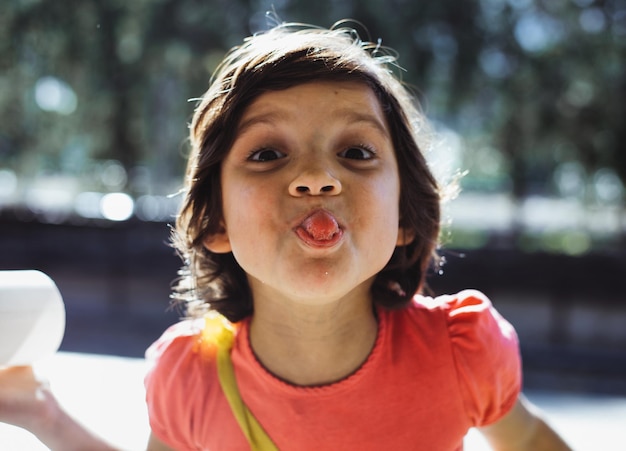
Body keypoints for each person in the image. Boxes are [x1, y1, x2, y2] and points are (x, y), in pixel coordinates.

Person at [0, 21, 571, 451]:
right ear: (216, 221)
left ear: (403, 217)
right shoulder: (189, 378)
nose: (318, 178)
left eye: (356, 152)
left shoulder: (461, 352)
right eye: (268, 154)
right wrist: (45, 415)